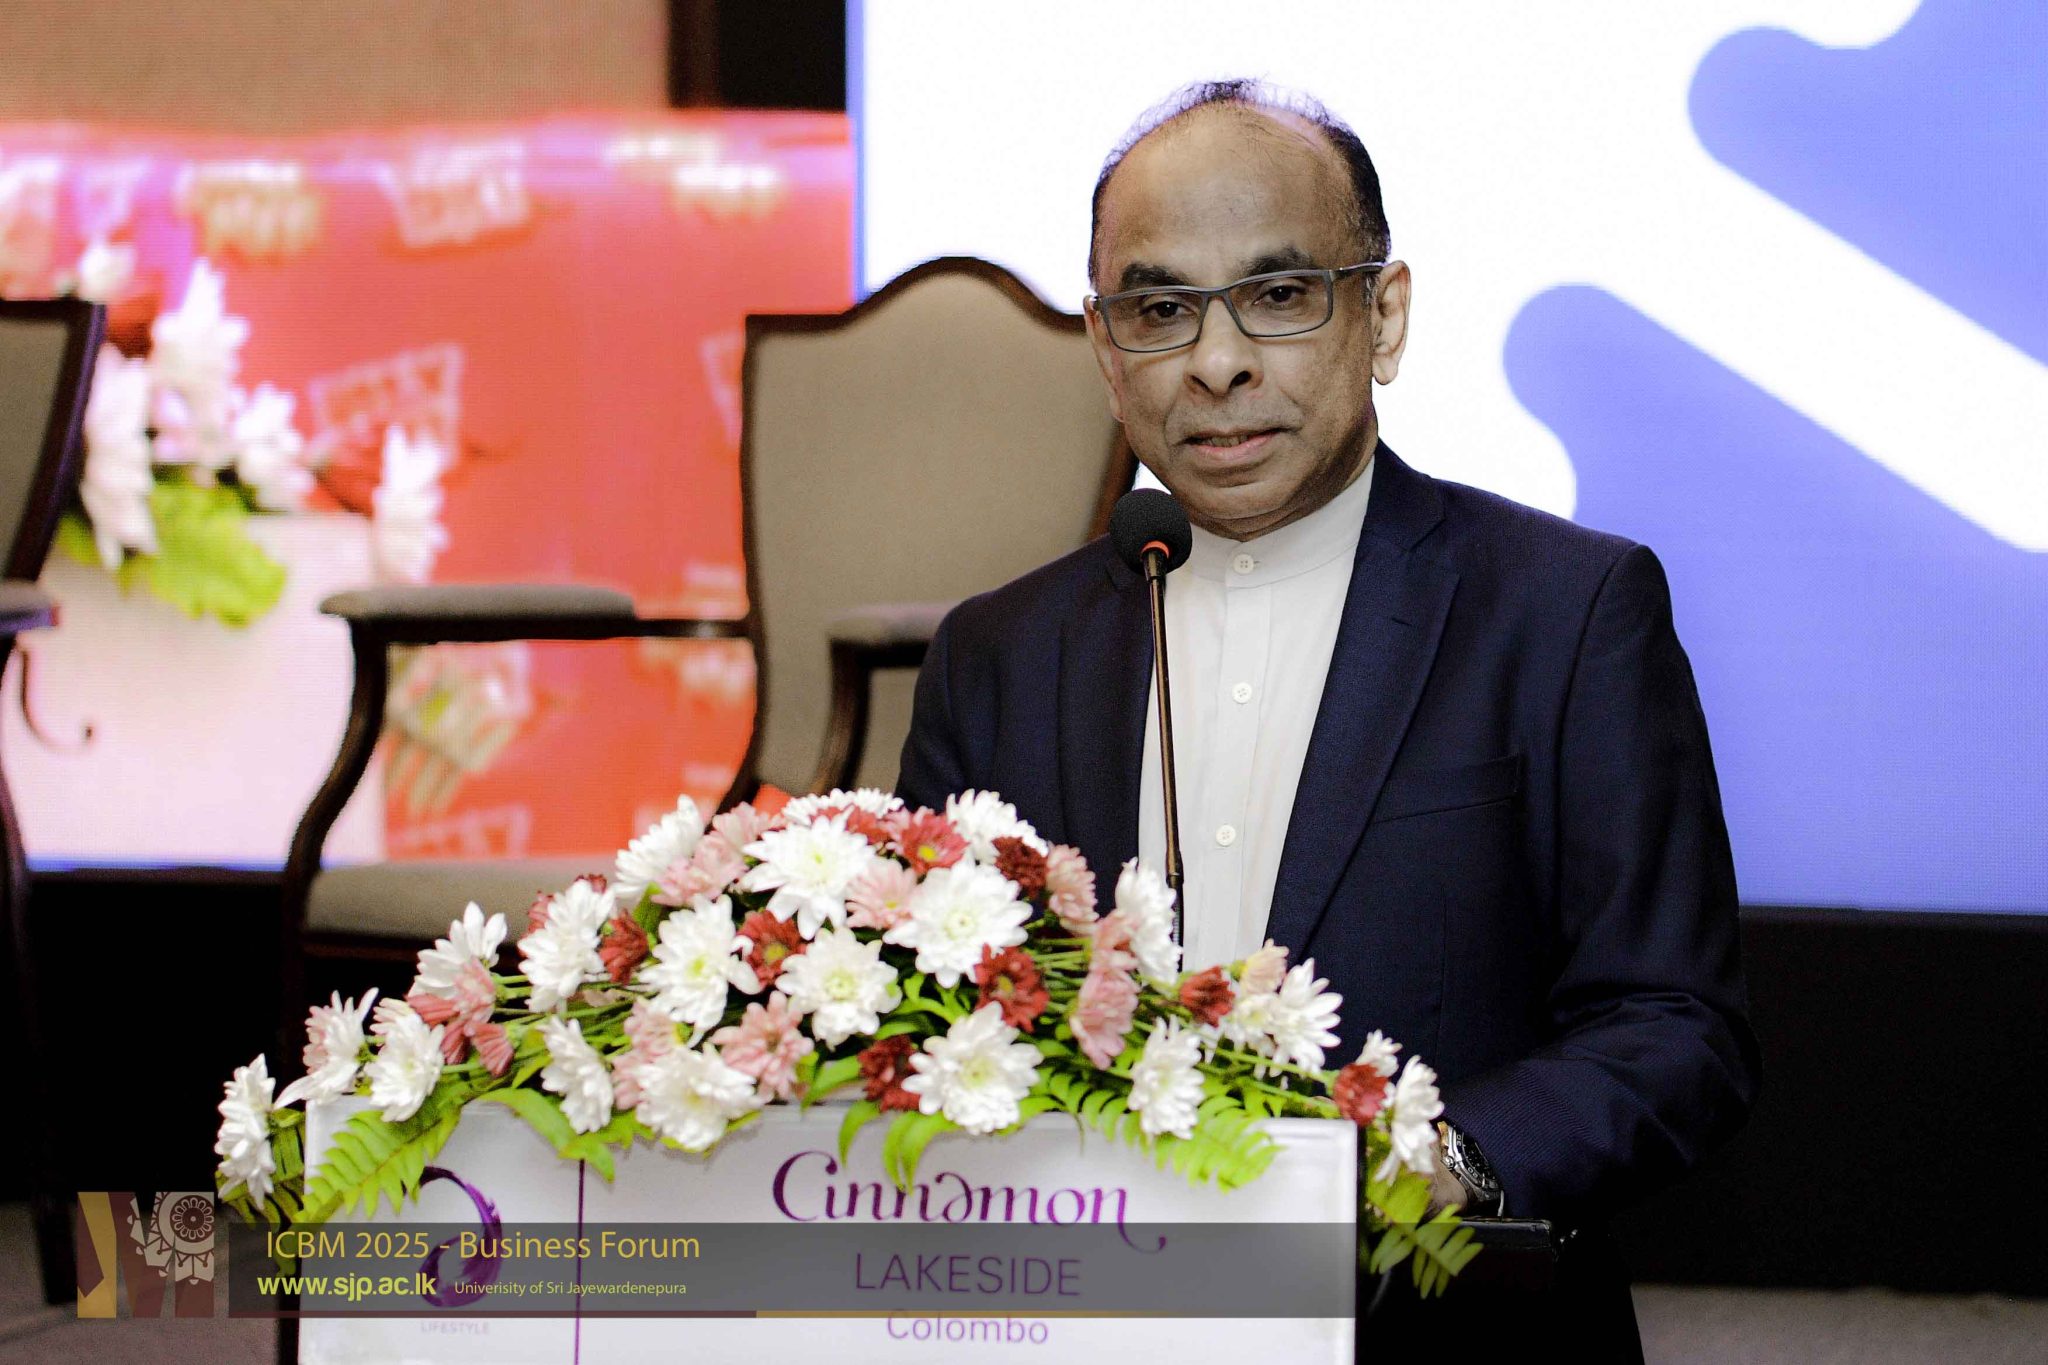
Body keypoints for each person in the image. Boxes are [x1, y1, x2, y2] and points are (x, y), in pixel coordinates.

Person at [896, 79, 1758, 1358]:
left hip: (1438, 1324)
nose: (1217, 361)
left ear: (1382, 316)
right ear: (1104, 349)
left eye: (1279, 294)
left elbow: (1675, 1031)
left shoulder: (1564, 612)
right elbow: (923, 1022)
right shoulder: (998, 654)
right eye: (1159, 310)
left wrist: (1439, 1163)